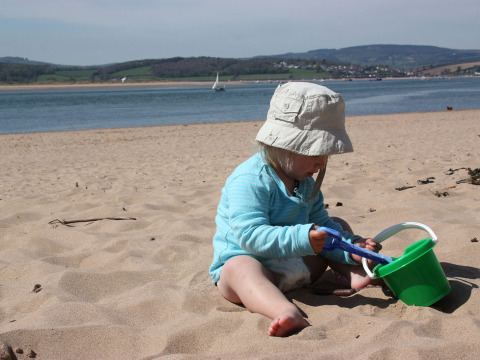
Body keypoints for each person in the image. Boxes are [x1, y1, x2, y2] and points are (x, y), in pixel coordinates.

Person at [209, 82, 382, 337]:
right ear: (284, 144)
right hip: (257, 269)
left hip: (298, 265)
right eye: (315, 152)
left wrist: (353, 248)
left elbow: (322, 222)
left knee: (338, 226)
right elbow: (250, 236)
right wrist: (304, 238)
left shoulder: (305, 181)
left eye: (327, 154)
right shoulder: (249, 179)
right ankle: (283, 310)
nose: (322, 162)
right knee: (238, 268)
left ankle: (355, 272)